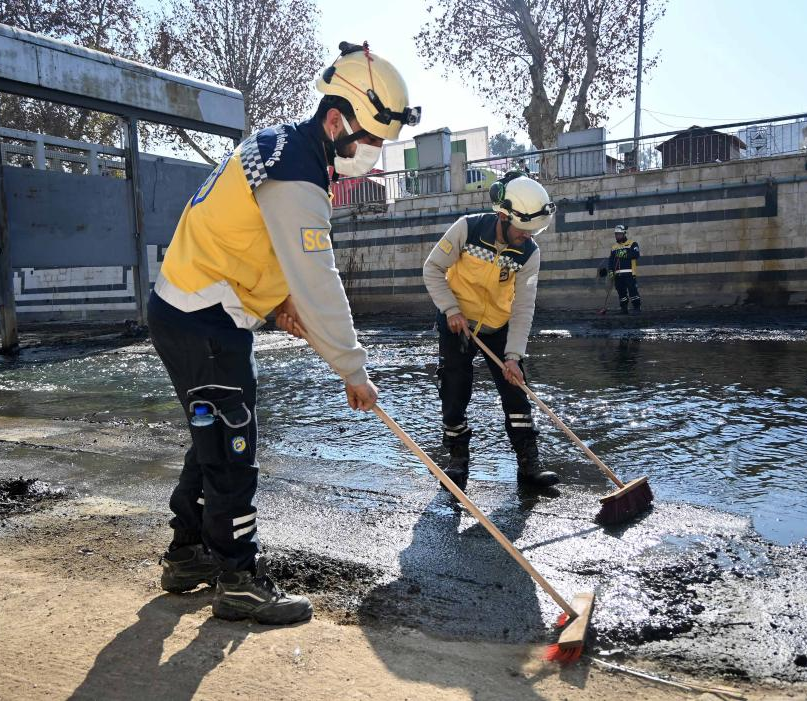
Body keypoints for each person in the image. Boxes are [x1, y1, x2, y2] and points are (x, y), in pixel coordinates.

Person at [147, 41, 420, 625]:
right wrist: (352, 368)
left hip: (191, 310)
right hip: (205, 321)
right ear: (334, 119)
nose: (371, 156)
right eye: (368, 142)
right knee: (233, 451)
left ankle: (186, 556)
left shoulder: (278, 147)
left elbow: (247, 243)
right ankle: (239, 580)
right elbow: (319, 281)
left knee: (214, 438)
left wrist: (275, 307)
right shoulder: (297, 172)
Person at [422, 172, 559, 492]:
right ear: (503, 216)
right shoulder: (467, 229)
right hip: (457, 324)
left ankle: (528, 467)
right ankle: (457, 460)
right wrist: (451, 309)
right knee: (454, 390)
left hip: (499, 327)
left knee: (517, 391)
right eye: (523, 230)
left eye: (533, 231)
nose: (529, 236)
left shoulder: (529, 253)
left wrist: (513, 356)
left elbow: (524, 307)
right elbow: (433, 269)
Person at [608, 224, 641, 314]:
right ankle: (624, 309)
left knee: (632, 291)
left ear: (624, 234)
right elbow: (611, 260)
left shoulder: (632, 244)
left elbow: (635, 255)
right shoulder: (614, 247)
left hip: (629, 273)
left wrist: (624, 254)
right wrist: (610, 271)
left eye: (619, 234)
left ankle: (637, 308)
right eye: (616, 234)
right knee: (621, 293)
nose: (617, 236)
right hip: (618, 274)